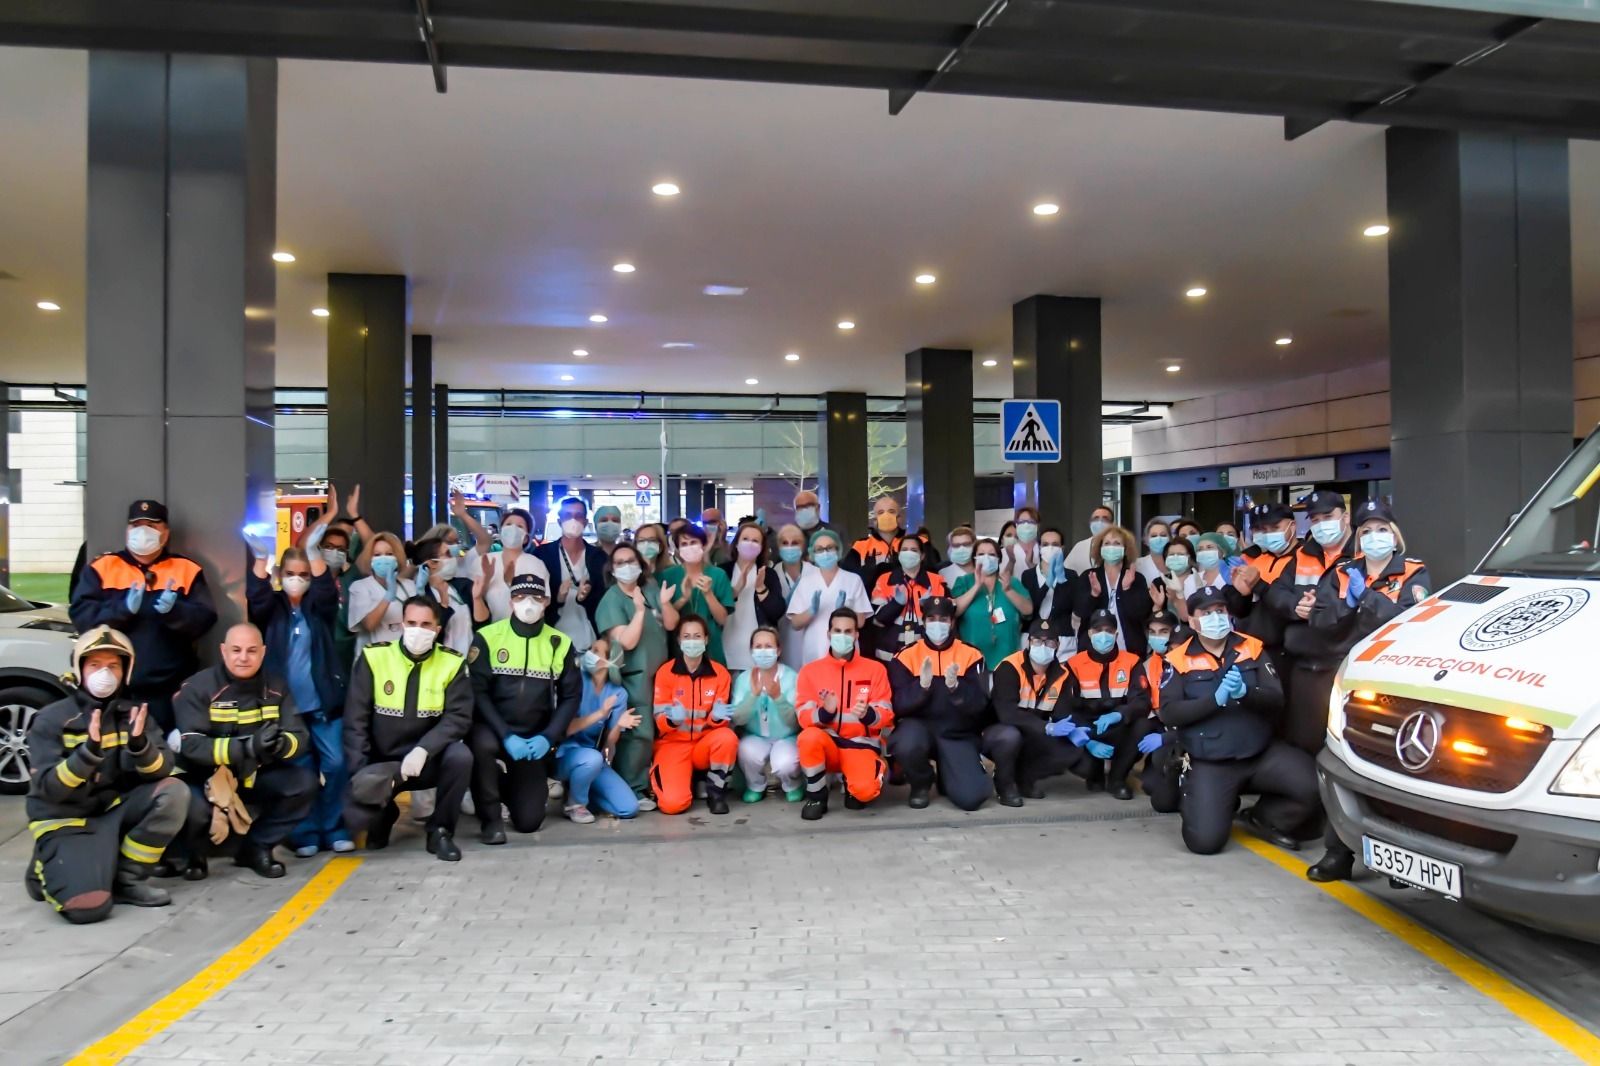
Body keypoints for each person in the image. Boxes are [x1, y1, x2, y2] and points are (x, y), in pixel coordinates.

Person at [24, 627, 188, 921]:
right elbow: (50, 789)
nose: (104, 674)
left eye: (113, 665)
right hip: (65, 820)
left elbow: (162, 768)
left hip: (110, 813)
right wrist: (86, 755)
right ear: (79, 669)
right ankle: (45, 866)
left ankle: (128, 878)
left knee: (174, 791)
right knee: (88, 909)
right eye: (95, 665)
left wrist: (141, 747)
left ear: (125, 672)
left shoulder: (135, 714)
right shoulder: (52, 719)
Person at [1305, 500, 1429, 883]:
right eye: (1367, 531)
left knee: (1395, 769)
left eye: (1382, 529)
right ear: (1357, 537)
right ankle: (1337, 852)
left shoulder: (1413, 573)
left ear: (1394, 533)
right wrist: (1348, 602)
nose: (1376, 536)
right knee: (1342, 763)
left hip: (1394, 683)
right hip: (1346, 680)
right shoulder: (1342, 574)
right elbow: (1320, 625)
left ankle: (1398, 859)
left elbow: (1411, 624)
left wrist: (1370, 599)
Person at [1158, 588, 1318, 855]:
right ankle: (1198, 794)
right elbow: (1170, 712)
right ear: (1193, 620)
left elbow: (1276, 698)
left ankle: (1263, 818)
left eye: (1219, 611)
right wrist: (1214, 700)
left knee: (1312, 787)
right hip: (1212, 760)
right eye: (1206, 613)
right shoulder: (1177, 659)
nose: (1215, 617)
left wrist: (1247, 694)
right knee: (1204, 843)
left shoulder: (1251, 647)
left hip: (1259, 753)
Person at [170, 624, 315, 880]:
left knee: (304, 784)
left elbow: (300, 738)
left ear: (263, 652)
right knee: (192, 806)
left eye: (251, 650)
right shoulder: (197, 687)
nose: (244, 657)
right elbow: (193, 746)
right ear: (223, 651)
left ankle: (256, 847)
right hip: (204, 777)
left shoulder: (277, 687)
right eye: (236, 650)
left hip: (253, 774)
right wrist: (247, 747)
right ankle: (193, 854)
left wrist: (282, 745)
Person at [70, 499, 219, 734]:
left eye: (152, 525)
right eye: (136, 525)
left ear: (165, 532)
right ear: (127, 531)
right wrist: (122, 610)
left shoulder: (186, 569)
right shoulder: (103, 567)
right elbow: (82, 617)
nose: (143, 531)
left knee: (164, 756)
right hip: (115, 688)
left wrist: (175, 611)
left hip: (169, 688)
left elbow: (205, 619)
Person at [343, 597, 474, 862]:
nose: (418, 629)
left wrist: (424, 749)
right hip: (384, 762)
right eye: (412, 623)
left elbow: (458, 718)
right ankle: (384, 813)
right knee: (354, 818)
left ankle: (440, 831)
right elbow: (356, 720)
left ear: (437, 629)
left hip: (428, 760)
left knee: (461, 757)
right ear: (402, 624)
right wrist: (360, 776)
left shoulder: (452, 663)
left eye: (426, 624)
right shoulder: (374, 657)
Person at [247, 540, 351, 859]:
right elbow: (255, 599)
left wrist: (317, 557)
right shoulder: (273, 607)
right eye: (291, 573)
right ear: (280, 574)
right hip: (287, 710)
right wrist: (261, 559)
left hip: (322, 705)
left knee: (336, 764)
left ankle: (334, 827)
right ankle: (305, 831)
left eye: (303, 573)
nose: (297, 578)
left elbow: (327, 594)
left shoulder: (317, 608)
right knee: (301, 773)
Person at [467, 574, 581, 843]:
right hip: (494, 731)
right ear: (510, 602)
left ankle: (507, 788)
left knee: (529, 822)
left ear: (546, 602)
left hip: (533, 738)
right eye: (520, 597)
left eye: (536, 597)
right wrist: (506, 735)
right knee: (480, 747)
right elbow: (478, 693)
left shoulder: (560, 643)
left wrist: (548, 736)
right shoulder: (488, 637)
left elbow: (571, 697)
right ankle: (490, 818)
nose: (527, 603)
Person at [887, 596, 1022, 810]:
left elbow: (980, 705)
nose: (937, 624)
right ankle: (921, 783)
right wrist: (921, 688)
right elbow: (898, 705)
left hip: (958, 733)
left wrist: (956, 689)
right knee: (905, 742)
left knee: (972, 799)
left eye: (943, 619)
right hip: (921, 730)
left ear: (951, 622)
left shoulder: (971, 654)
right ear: (924, 621)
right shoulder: (906, 655)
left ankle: (949, 776)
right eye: (931, 618)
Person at [1265, 489, 1355, 755]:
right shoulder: (1304, 554)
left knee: (1339, 741)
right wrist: (1296, 606)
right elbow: (1276, 592)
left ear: (1345, 517)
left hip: (1340, 663)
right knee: (1302, 738)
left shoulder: (1361, 553)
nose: (1320, 525)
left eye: (1327, 516)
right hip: (1304, 663)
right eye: (1314, 520)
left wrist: (1321, 610)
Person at [594, 542, 675, 812]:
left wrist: (663, 604)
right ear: (612, 569)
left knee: (660, 731)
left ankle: (651, 783)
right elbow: (627, 642)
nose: (627, 566)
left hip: (661, 674)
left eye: (631, 560)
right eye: (619, 562)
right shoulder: (611, 601)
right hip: (633, 676)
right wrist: (639, 612)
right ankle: (632, 787)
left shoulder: (650, 589)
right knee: (638, 734)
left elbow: (670, 624)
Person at [794, 610, 894, 819]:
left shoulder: (875, 669)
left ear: (857, 635)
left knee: (864, 793)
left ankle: (858, 780)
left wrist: (868, 714)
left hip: (861, 745)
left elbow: (887, 714)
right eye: (837, 630)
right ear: (828, 634)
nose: (842, 635)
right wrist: (825, 713)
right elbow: (803, 716)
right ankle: (817, 795)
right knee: (808, 737)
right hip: (828, 745)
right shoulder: (810, 671)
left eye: (848, 631)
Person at [650, 614, 737, 815]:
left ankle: (715, 793)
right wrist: (671, 720)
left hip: (704, 743)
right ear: (679, 641)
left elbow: (721, 722)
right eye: (687, 636)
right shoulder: (666, 672)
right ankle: (681, 778)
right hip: (673, 744)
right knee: (672, 805)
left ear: (706, 639)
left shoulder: (720, 673)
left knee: (727, 738)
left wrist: (715, 718)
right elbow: (659, 720)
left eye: (697, 636)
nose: (692, 641)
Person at [991, 618, 1085, 798]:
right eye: (1037, 640)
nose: (1043, 645)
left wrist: (1074, 729)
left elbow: (1062, 714)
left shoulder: (1062, 674)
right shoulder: (1009, 667)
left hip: (1033, 731)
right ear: (1029, 642)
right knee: (1011, 736)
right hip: (999, 731)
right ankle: (1004, 783)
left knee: (1071, 748)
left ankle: (1025, 778)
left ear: (1057, 645)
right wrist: (1047, 727)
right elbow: (1006, 713)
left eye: (1049, 641)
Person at [554, 634, 640, 822]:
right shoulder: (576, 681)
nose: (589, 654)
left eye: (595, 651)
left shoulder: (618, 694)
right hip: (564, 756)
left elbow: (608, 747)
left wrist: (618, 725)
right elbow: (564, 730)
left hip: (593, 761)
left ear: (608, 662)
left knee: (629, 808)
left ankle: (580, 793)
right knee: (592, 758)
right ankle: (575, 804)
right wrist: (600, 714)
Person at [1062, 610, 1146, 798]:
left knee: (1143, 726)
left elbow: (1141, 700)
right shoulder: (1074, 664)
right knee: (1084, 767)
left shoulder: (1132, 662)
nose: (1103, 635)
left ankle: (1117, 779)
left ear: (1116, 633)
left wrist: (1120, 714)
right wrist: (1088, 741)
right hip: (1088, 729)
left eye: (1108, 630)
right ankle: (1094, 774)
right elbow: (1066, 707)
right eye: (1098, 630)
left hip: (1119, 727)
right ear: (1090, 634)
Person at [731, 627, 802, 803]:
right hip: (755, 736)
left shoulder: (792, 677)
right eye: (758, 646)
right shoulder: (743, 679)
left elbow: (795, 722)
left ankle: (792, 785)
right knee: (746, 751)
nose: (763, 651)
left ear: (778, 650)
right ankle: (755, 786)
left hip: (787, 737)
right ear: (751, 650)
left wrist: (778, 697)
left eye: (768, 646)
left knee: (786, 762)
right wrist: (752, 695)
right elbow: (738, 718)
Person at [1231, 501, 1300, 672]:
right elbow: (1240, 611)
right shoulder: (1255, 559)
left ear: (1292, 526)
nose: (1268, 534)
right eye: (1262, 530)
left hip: (1288, 652)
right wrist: (1242, 595)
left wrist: (1259, 585)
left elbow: (1294, 607)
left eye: (1275, 527)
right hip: (1253, 649)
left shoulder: (1305, 559)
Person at [532, 497, 607, 654]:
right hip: (551, 639)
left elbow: (604, 600)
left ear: (585, 522)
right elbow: (535, 598)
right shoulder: (542, 555)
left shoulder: (598, 557)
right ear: (560, 521)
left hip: (589, 640)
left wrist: (585, 598)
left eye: (578, 515)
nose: (573, 520)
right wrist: (558, 599)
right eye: (567, 515)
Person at [787, 528, 871, 666]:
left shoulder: (853, 580)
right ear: (812, 554)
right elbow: (795, 623)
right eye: (819, 549)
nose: (825, 552)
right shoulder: (806, 582)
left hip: (846, 651)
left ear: (839, 550)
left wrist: (846, 609)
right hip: (814, 651)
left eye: (829, 548)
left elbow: (861, 622)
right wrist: (811, 611)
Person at [659, 523, 737, 665]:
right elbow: (666, 618)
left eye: (693, 542)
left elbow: (722, 619)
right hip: (678, 650)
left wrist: (708, 594)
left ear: (703, 545)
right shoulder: (668, 576)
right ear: (678, 549)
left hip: (711, 649)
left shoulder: (717, 575)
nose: (689, 547)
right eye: (684, 544)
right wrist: (683, 599)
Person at [1070, 525, 1154, 656]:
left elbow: (1141, 614)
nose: (1111, 547)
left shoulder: (1136, 578)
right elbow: (1080, 611)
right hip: (1092, 651)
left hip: (1129, 651)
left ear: (1125, 550)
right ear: (1100, 549)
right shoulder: (1089, 576)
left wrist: (1126, 589)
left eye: (1117, 543)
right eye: (1107, 543)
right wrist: (1094, 594)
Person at [951, 538, 1033, 669]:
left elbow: (1028, 610)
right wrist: (977, 586)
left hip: (1008, 659)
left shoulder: (1011, 582)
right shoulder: (964, 582)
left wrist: (1009, 591)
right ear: (974, 559)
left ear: (999, 559)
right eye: (981, 554)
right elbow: (954, 611)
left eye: (992, 554)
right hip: (972, 661)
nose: (987, 558)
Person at [868, 533, 947, 664]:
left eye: (914, 550)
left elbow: (946, 618)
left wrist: (928, 606)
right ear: (898, 555)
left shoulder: (936, 580)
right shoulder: (885, 580)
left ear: (922, 556)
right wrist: (896, 604)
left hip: (926, 652)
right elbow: (877, 620)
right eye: (904, 550)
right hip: (889, 655)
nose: (908, 553)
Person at [721, 522, 787, 671]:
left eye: (755, 541)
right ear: (736, 543)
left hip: (759, 654)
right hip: (726, 649)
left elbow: (777, 612)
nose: (749, 544)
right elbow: (715, 608)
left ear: (761, 548)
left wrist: (761, 589)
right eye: (745, 539)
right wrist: (735, 591)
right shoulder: (722, 571)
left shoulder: (768, 574)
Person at [471, 507, 552, 624]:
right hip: (490, 632)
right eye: (508, 524)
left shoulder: (535, 564)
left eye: (520, 526)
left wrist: (511, 585)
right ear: (501, 531)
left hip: (524, 631)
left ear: (526, 538)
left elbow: (544, 601)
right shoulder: (483, 561)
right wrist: (486, 581)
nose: (513, 529)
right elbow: (473, 601)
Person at [347, 532, 417, 655]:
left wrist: (421, 593)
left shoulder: (409, 585)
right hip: (373, 658)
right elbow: (369, 625)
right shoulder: (360, 587)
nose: (383, 559)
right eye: (377, 555)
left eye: (389, 554)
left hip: (404, 655)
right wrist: (388, 596)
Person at [412, 535, 476, 654]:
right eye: (448, 554)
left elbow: (480, 624)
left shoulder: (464, 586)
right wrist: (443, 600)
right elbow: (429, 634)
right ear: (432, 563)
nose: (453, 558)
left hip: (468, 662)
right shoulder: (422, 595)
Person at [1020, 527, 1075, 656]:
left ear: (1062, 547)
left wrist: (1062, 581)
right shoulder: (1028, 576)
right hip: (1033, 639)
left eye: (1055, 544)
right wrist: (1047, 585)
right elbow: (1029, 610)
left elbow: (1070, 608)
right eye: (1045, 544)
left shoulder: (1071, 576)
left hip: (1063, 642)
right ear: (1039, 548)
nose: (1050, 548)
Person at [771, 523, 816, 670]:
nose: (790, 547)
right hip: (782, 641)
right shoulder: (771, 574)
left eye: (795, 542)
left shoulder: (815, 573)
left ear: (803, 546)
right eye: (785, 543)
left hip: (811, 642)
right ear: (778, 546)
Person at [846, 495, 907, 591]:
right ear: (874, 520)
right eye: (881, 512)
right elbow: (848, 580)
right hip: (870, 603)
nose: (886, 516)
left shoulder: (916, 544)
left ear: (900, 517)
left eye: (891, 512)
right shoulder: (860, 547)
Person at [1156, 537, 1197, 628]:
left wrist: (1177, 598)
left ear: (1191, 558)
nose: (1175, 557)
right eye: (1171, 554)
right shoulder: (1159, 582)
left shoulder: (1198, 580)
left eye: (1180, 554)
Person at [1064, 504, 1115, 575]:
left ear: (1112, 524)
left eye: (1105, 519)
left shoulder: (1118, 546)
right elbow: (1067, 571)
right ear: (1090, 523)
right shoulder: (1080, 546)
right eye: (1096, 518)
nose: (1099, 522)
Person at [1007, 506, 1042, 575]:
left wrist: (1030, 564)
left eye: (1031, 521)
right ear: (1016, 525)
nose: (1026, 525)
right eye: (1022, 522)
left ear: (1037, 525)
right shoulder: (1007, 551)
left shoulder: (1044, 550)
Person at [1136, 519, 1172, 584]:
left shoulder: (1179, 562)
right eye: (1154, 536)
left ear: (1170, 539)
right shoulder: (1137, 565)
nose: (1159, 539)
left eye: (1163, 535)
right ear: (1146, 541)